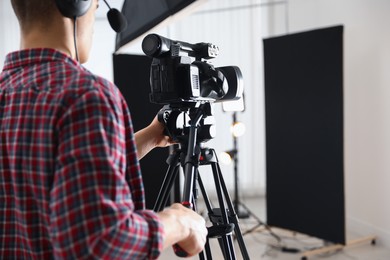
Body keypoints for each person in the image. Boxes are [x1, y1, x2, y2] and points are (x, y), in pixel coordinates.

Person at [0, 0, 207, 259]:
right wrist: (179, 222)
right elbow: (102, 242)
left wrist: (151, 137)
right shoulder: (85, 95)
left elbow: (49, 171)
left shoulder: (7, 91)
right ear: (76, 5)